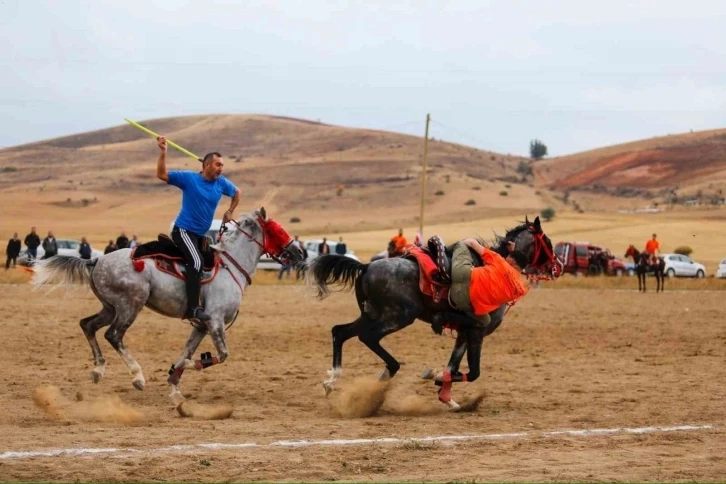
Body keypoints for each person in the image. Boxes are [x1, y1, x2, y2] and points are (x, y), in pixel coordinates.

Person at [156, 135, 241, 325]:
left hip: (199, 236)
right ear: (208, 165)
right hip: (183, 231)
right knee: (196, 261)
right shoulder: (189, 179)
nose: (221, 168)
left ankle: (206, 303)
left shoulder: (221, 183)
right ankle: (192, 309)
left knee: (211, 263)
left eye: (222, 165)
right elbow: (162, 174)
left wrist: (230, 211)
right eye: (218, 165)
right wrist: (163, 152)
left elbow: (237, 192)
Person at [431, 238, 529, 335]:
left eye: (508, 259)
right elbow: (511, 272)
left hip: (461, 274)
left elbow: (472, 243)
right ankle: (443, 317)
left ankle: (441, 254)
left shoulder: (499, 260)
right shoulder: (518, 290)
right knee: (485, 321)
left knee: (461, 244)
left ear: (511, 262)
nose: (505, 259)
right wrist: (514, 253)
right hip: (461, 300)